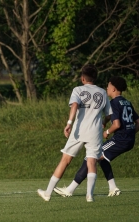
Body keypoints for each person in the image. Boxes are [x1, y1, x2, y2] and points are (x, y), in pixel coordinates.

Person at [54, 76, 139, 197]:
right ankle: (113, 187)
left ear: (114, 89)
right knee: (101, 158)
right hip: (128, 140)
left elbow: (116, 124)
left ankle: (69, 190)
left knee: (92, 157)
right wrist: (129, 133)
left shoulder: (114, 103)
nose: (107, 87)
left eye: (109, 85)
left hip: (120, 139)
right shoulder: (127, 102)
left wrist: (106, 132)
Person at [37, 64, 112, 203]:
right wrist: (103, 123)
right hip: (95, 131)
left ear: (83, 78)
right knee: (91, 162)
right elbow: (109, 114)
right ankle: (89, 195)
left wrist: (69, 123)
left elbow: (75, 105)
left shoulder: (77, 90)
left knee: (65, 160)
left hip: (79, 130)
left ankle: (47, 193)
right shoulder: (102, 92)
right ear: (95, 77)